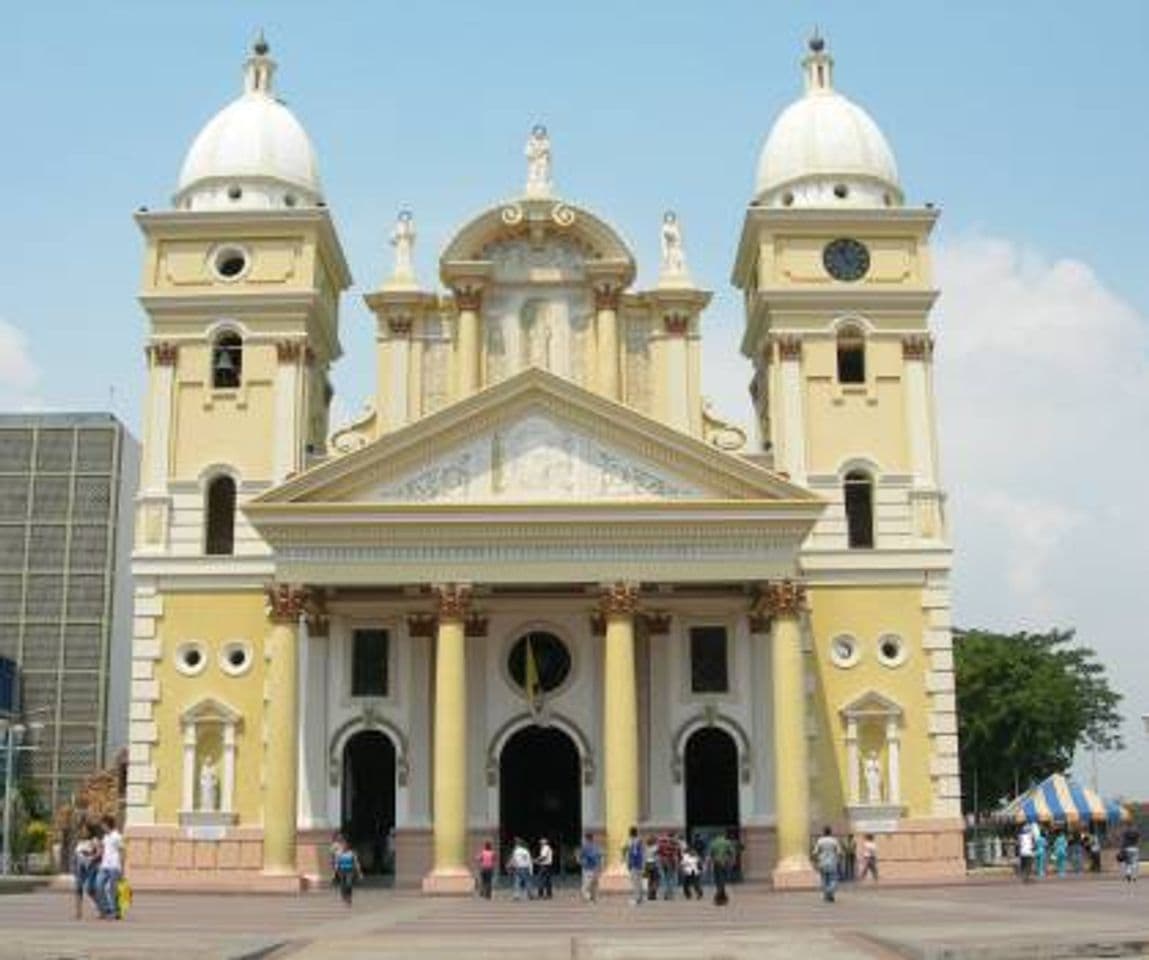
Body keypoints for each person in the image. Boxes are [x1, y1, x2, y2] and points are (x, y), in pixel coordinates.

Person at [95, 815, 124, 920]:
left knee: (112, 890)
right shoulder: (105, 836)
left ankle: (116, 911)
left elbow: (121, 851)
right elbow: (102, 850)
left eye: (103, 825)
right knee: (98, 886)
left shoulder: (117, 836)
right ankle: (106, 909)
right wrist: (97, 860)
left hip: (114, 866)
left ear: (108, 825)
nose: (102, 827)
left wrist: (121, 868)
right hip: (104, 866)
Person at [72, 822, 101, 920]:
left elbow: (99, 853)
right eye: (82, 830)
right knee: (78, 888)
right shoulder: (80, 842)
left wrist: (90, 856)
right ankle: (78, 912)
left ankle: (99, 908)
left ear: (90, 831)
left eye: (85, 830)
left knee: (90, 889)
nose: (83, 832)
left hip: (91, 867)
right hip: (79, 867)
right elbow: (76, 855)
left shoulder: (94, 840)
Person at [812, 825, 842, 903]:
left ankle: (827, 895)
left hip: (822, 862)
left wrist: (815, 861)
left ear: (823, 832)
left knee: (824, 879)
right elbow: (839, 852)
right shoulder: (834, 840)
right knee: (833, 879)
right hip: (832, 862)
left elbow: (815, 852)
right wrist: (838, 860)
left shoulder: (820, 841)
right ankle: (830, 893)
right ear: (830, 832)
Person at [707, 831, 736, 906]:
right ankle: (721, 895)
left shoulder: (713, 843)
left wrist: (709, 863)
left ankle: (720, 894)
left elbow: (710, 854)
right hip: (725, 862)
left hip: (717, 862)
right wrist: (732, 861)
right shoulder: (727, 842)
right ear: (724, 835)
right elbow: (732, 852)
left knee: (718, 878)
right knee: (723, 878)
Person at [333, 837, 362, 905]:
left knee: (349, 884)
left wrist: (359, 872)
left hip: (349, 870)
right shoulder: (338, 853)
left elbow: (356, 862)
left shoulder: (351, 853)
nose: (344, 846)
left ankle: (349, 897)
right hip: (341, 871)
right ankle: (344, 896)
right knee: (343, 884)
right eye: (343, 845)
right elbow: (337, 863)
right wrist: (335, 872)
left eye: (345, 845)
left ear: (347, 846)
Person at [578, 832, 602, 903]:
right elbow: (600, 857)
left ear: (586, 839)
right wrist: (600, 867)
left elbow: (580, 857)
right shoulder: (596, 846)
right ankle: (594, 899)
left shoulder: (585, 847)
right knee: (594, 886)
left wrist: (581, 863)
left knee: (585, 887)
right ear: (592, 838)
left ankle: (588, 898)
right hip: (596, 869)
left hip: (588, 869)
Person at [623, 827, 645, 905]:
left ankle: (637, 898)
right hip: (639, 864)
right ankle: (640, 897)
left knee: (635, 882)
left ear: (630, 833)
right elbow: (642, 853)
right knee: (639, 882)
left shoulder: (632, 841)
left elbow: (632, 853)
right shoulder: (640, 841)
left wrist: (628, 862)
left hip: (634, 864)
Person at [657, 830, 681, 900]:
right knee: (672, 878)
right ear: (673, 836)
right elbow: (679, 854)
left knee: (665, 878)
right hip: (672, 862)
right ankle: (671, 894)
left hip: (663, 862)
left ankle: (666, 893)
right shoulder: (676, 843)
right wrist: (679, 862)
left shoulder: (662, 843)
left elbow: (658, 852)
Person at [644, 834, 660, 902]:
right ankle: (653, 894)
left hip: (647, 864)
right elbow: (657, 856)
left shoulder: (645, 848)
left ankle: (649, 894)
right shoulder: (656, 848)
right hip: (654, 864)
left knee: (649, 880)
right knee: (655, 880)